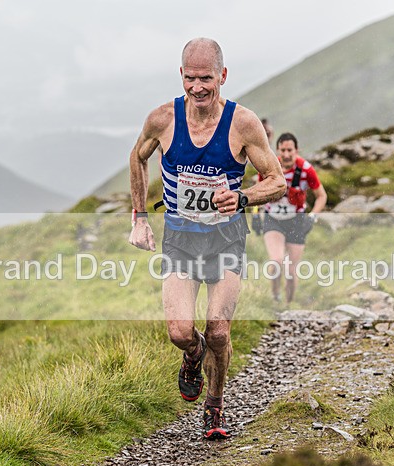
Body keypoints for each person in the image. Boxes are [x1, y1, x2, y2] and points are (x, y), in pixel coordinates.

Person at [128, 38, 286, 440]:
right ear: (181, 76)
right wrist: (140, 218)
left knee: (219, 329)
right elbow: (137, 157)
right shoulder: (162, 119)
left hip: (226, 240)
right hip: (180, 240)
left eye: (207, 79)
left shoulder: (243, 124)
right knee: (181, 333)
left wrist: (244, 197)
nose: (198, 88)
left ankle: (214, 405)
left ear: (223, 77)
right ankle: (193, 355)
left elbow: (278, 182)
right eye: (191, 79)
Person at [259, 132, 327, 303]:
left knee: (290, 271)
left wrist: (313, 217)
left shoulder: (306, 170)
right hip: (272, 218)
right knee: (276, 261)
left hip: (297, 221)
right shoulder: (269, 167)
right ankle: (275, 296)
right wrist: (256, 214)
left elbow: (321, 196)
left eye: (290, 150)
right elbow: (259, 192)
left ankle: (288, 304)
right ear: (277, 151)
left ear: (297, 150)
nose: (287, 154)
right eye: (283, 150)